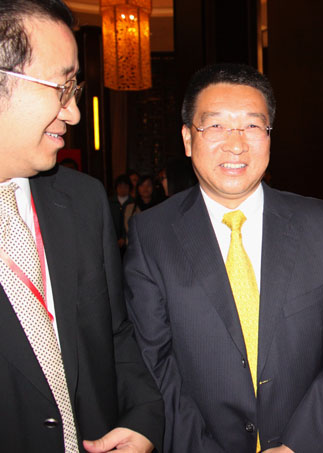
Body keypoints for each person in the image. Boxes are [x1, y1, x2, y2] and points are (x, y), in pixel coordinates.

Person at [124, 63, 323, 453]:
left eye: (252, 126)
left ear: (270, 136)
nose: (236, 144)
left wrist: (300, 446)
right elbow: (154, 361)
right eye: (216, 125)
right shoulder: (151, 234)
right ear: (188, 139)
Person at [0, 1, 164, 452]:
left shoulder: (83, 200)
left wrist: (144, 415)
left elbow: (115, 334)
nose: (73, 113)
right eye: (61, 87)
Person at [110, 173, 133, 252]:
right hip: (113, 241)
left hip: (129, 242)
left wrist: (124, 238)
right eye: (120, 187)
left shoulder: (133, 203)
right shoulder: (110, 203)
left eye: (125, 187)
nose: (122, 189)